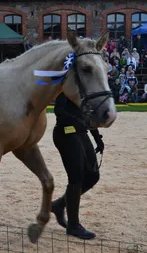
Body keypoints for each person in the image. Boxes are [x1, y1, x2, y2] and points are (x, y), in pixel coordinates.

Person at [50, 93, 104, 240]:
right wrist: (78, 122)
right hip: (65, 134)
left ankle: (59, 205)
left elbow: (89, 117)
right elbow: (59, 111)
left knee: (93, 176)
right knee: (76, 178)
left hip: (80, 133)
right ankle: (73, 225)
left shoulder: (84, 91)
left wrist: (97, 138)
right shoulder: (66, 90)